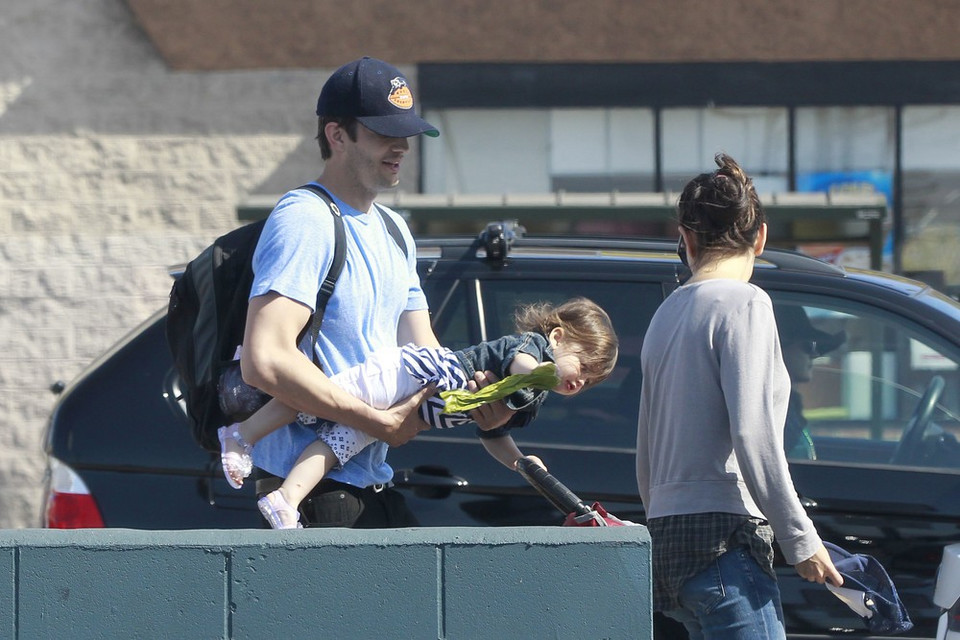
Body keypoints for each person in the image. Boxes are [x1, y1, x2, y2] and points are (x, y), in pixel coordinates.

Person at [236, 56, 513, 529]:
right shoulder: (305, 219)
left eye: (405, 133)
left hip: (372, 483)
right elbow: (263, 361)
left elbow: (422, 351)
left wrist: (474, 401)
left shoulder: (393, 229)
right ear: (336, 134)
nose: (402, 146)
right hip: (308, 498)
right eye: (385, 132)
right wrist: (373, 420)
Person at [635, 153, 842, 639]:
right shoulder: (746, 303)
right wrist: (800, 538)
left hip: (668, 540)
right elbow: (754, 433)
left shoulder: (666, 314)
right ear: (761, 237)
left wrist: (657, 525)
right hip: (725, 542)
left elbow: (646, 445)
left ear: (685, 238)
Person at [222, 297, 618, 529]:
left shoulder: (532, 400)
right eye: (582, 366)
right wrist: (541, 375)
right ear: (558, 338)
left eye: (590, 382)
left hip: (411, 413)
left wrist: (519, 462)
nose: (580, 381)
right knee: (320, 395)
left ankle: (286, 499)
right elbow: (519, 365)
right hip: (411, 376)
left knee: (340, 443)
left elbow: (492, 434)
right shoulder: (533, 351)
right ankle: (243, 434)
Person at [774, 304, 846, 460]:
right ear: (779, 347)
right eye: (808, 345)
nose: (814, 354)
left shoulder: (789, 405)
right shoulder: (771, 410)